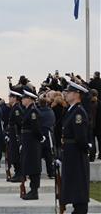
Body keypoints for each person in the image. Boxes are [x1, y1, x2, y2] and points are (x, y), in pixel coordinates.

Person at [60, 81, 90, 214]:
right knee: (73, 182)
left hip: (76, 153)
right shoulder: (71, 110)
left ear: (77, 94)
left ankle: (80, 210)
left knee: (78, 183)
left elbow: (80, 137)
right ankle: (77, 209)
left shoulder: (78, 112)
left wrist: (85, 150)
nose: (66, 94)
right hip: (70, 152)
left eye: (69, 92)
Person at [20, 86, 45, 200]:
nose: (22, 100)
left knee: (33, 166)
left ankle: (34, 191)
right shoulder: (28, 110)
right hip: (28, 141)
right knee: (29, 165)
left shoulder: (33, 111)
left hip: (32, 142)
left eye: (24, 98)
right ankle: (32, 189)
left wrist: (41, 138)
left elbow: (35, 128)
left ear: (30, 99)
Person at [5, 88, 23, 182]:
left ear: (15, 98)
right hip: (12, 134)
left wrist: (17, 135)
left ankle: (19, 174)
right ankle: (17, 173)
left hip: (16, 135)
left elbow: (19, 123)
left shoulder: (17, 109)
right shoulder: (14, 108)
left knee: (16, 155)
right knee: (13, 154)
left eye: (10, 97)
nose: (9, 98)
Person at [38, 97, 56, 178]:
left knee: (38, 155)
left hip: (40, 134)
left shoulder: (38, 112)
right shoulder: (50, 111)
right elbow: (53, 121)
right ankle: (51, 172)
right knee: (48, 155)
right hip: (48, 134)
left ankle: (37, 172)